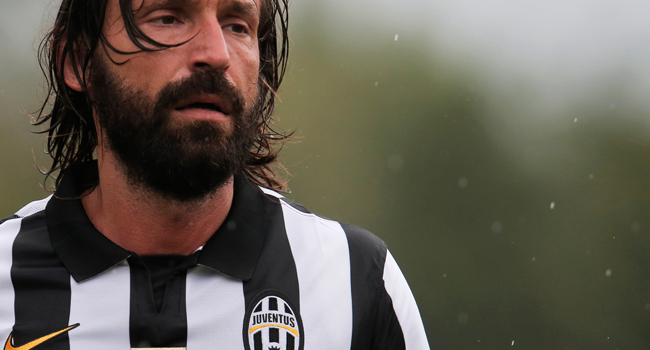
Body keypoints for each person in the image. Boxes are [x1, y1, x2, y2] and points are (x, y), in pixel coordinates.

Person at [0, 0, 430, 349]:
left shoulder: (356, 282)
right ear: (78, 61)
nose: (216, 54)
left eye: (237, 25)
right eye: (168, 17)